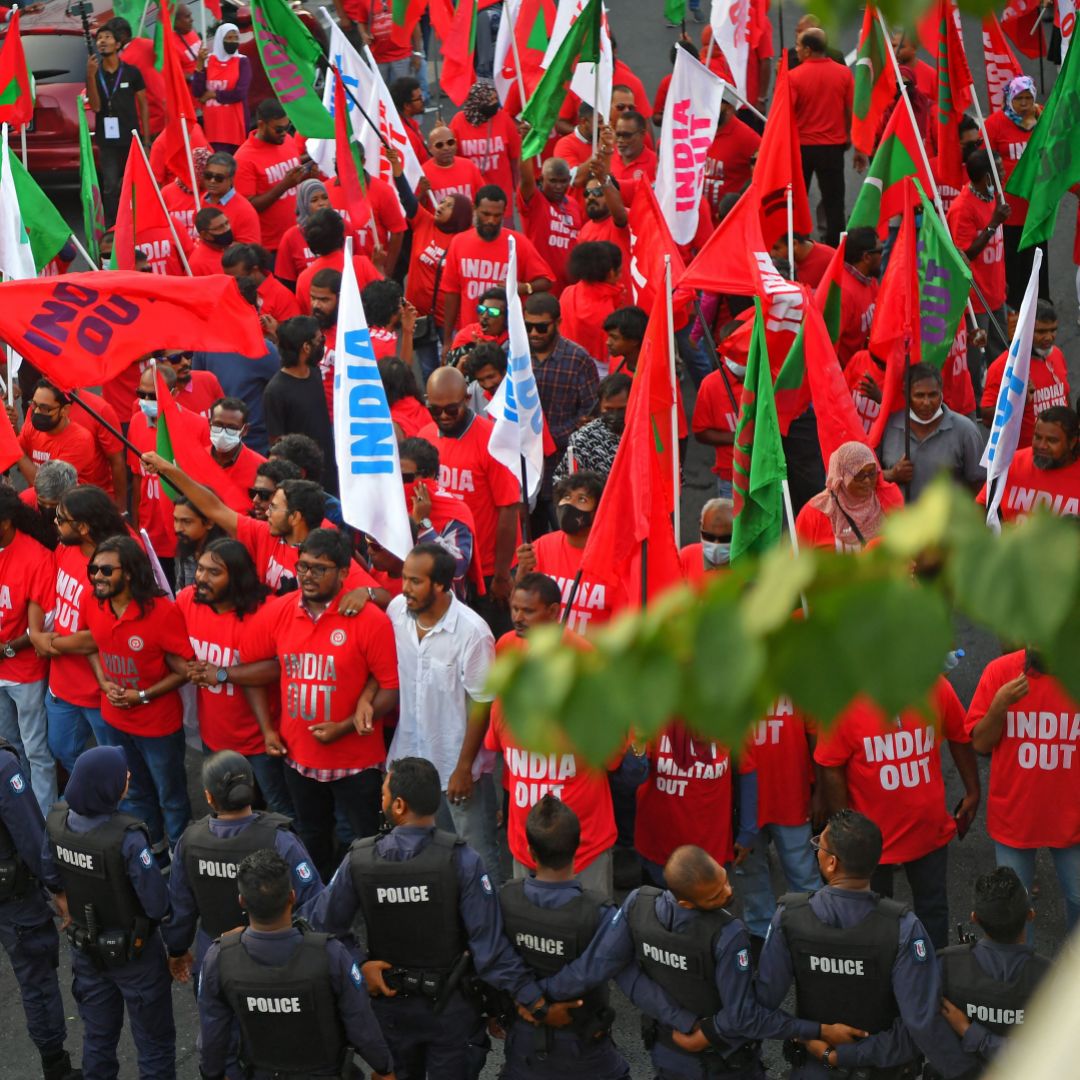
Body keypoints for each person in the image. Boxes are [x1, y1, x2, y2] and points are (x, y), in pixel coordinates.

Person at [306, 756, 557, 1079]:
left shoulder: (360, 860)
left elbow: (321, 926)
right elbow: (490, 950)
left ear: (398, 805)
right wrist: (532, 1000)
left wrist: (358, 966)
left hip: (391, 1011)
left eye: (383, 795)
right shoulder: (464, 860)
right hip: (453, 1014)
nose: (379, 801)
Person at [539, 845, 815, 1079]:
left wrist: (537, 997)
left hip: (668, 1052)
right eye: (715, 895)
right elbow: (742, 1015)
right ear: (685, 903)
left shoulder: (637, 904)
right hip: (724, 1062)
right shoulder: (728, 935)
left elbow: (605, 964)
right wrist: (814, 1030)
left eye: (725, 881)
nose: (728, 893)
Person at [217, 529, 399, 879]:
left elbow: (390, 690)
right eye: (302, 567)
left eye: (319, 569)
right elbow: (251, 670)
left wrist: (344, 727)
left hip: (356, 764)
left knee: (364, 839)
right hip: (297, 759)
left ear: (344, 572)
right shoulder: (279, 612)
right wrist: (267, 729)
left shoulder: (370, 620)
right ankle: (318, 897)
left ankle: (363, 898)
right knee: (312, 833)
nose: (307, 576)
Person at [754, 810, 973, 1078]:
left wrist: (812, 1035)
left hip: (814, 1068)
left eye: (818, 847)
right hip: (884, 1070)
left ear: (831, 863)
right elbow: (921, 1024)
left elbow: (760, 1006)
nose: (817, 852)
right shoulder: (904, 927)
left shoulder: (789, 917)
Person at [197, 849, 395, 1080]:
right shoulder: (331, 954)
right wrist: (384, 1068)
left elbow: (212, 1032)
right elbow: (361, 1023)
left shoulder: (219, 957)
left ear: (242, 901)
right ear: (292, 896)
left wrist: (212, 1073)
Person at [814, 678, 981, 950]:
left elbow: (959, 735)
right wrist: (845, 826)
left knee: (933, 911)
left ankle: (932, 976)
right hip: (869, 843)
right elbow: (830, 764)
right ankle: (885, 981)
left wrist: (974, 790)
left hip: (929, 832)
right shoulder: (843, 700)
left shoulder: (936, 687)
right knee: (875, 920)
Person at [42, 746, 175, 1080]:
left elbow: (49, 874)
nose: (128, 776)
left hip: (86, 950)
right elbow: (157, 904)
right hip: (135, 956)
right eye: (122, 774)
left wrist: (64, 901)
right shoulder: (127, 840)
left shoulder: (57, 822)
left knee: (98, 1040)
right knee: (155, 1046)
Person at [487, 577, 618, 896]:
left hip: (581, 849)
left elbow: (613, 755)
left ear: (554, 612)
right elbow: (502, 750)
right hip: (524, 843)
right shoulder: (506, 647)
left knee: (592, 935)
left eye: (528, 611)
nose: (517, 617)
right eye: (514, 608)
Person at [386, 544, 501, 883]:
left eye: (415, 581)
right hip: (409, 757)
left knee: (476, 853)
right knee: (423, 849)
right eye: (404, 579)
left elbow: (482, 703)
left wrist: (464, 767)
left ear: (441, 585)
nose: (405, 588)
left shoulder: (473, 633)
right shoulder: (396, 610)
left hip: (455, 765)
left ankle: (487, 926)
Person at [164, 750, 321, 987]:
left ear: (208, 796)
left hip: (216, 958)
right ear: (252, 786)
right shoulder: (280, 840)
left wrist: (177, 948)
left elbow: (181, 905)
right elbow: (314, 904)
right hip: (274, 958)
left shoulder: (190, 841)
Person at [498, 795, 627, 1078]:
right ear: (577, 847)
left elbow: (491, 957)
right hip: (585, 1046)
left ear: (530, 852)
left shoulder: (505, 898)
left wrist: (533, 1000)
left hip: (524, 1036)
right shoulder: (600, 912)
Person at [80, 536, 194, 857]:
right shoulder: (92, 602)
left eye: (105, 570)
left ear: (128, 573)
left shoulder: (162, 612)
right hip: (114, 720)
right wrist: (103, 681)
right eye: (93, 570)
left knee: (170, 795)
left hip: (158, 726)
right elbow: (91, 645)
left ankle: (180, 858)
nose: (97, 577)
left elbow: (185, 670)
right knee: (133, 793)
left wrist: (141, 695)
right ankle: (153, 852)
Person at [174, 539, 294, 815]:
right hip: (213, 735)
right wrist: (185, 668)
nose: (201, 579)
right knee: (224, 806)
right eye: (201, 569)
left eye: (214, 573)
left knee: (278, 809)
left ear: (237, 577)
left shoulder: (264, 612)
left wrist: (223, 674)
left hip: (261, 739)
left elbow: (279, 667)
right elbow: (169, 647)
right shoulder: (186, 601)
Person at [966, 648, 1080, 932]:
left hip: (1073, 818)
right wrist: (999, 705)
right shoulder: (999, 672)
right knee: (1013, 913)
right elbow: (980, 744)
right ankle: (1022, 974)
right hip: (1014, 817)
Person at [31, 488, 131, 775]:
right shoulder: (65, 548)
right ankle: (92, 801)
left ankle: (112, 810)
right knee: (61, 749)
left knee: (117, 764)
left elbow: (102, 633)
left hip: (100, 690)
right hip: (62, 685)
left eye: (61, 519)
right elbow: (42, 592)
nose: (55, 523)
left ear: (84, 527)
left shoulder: (112, 567)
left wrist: (52, 644)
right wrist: (36, 633)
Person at [0, 736, 80, 1080]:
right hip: (13, 897)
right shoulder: (3, 767)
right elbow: (32, 836)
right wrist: (58, 890)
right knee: (36, 976)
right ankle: (56, 1068)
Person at [419, 367, 521, 618]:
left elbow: (508, 509)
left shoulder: (492, 440)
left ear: (466, 399)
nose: (443, 416)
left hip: (486, 570)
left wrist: (501, 574)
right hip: (444, 567)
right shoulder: (424, 437)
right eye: (435, 409)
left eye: (451, 409)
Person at [937, 867, 1051, 1071]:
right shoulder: (1053, 979)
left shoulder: (945, 965)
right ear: (1031, 915)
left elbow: (924, 1029)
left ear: (975, 918)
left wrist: (969, 1031)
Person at [737, 697, 821, 950]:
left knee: (801, 868)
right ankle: (761, 933)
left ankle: (811, 930)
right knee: (749, 871)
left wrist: (820, 790)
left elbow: (815, 733)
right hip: (742, 802)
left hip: (790, 793)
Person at [0, 486, 57, 817]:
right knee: (9, 747)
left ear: (6, 522)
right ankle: (21, 820)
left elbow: (44, 626)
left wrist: (7, 648)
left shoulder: (36, 556)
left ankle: (46, 827)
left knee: (36, 750)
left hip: (24, 671)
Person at [440, 185, 554, 342]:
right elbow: (452, 293)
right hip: (470, 336)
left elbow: (546, 281)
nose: (491, 221)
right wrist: (447, 340)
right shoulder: (459, 242)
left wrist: (525, 288)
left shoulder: (517, 243)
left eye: (497, 216)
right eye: (486, 214)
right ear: (474, 209)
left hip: (508, 340)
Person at [516, 472, 625, 631]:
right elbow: (520, 604)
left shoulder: (619, 558)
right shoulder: (541, 546)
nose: (570, 504)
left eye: (582, 499)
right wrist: (522, 571)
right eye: (566, 497)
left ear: (599, 511)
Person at [947, 149, 1010, 399]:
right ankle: (975, 404)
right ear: (986, 177)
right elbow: (965, 255)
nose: (1003, 173)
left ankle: (998, 398)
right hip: (975, 301)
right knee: (976, 357)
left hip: (996, 294)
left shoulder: (993, 197)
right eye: (999, 170)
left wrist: (1002, 282)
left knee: (1001, 352)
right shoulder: (963, 208)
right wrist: (993, 223)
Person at [983, 75, 1049, 308]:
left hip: (1037, 210)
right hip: (1009, 213)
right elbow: (983, 162)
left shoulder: (1043, 120)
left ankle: (1040, 308)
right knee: (1013, 264)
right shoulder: (995, 124)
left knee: (1038, 263)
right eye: (1018, 98)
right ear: (1009, 99)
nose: (1024, 103)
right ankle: (1014, 310)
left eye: (1028, 98)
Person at [879, 363, 986, 500]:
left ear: (941, 392)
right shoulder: (888, 426)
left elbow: (979, 486)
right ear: (906, 395)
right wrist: (891, 475)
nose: (926, 402)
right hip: (899, 519)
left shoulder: (966, 430)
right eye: (919, 395)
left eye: (932, 395)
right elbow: (866, 476)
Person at [789, 29, 853, 247]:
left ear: (808, 49)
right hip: (833, 148)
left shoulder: (793, 77)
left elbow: (786, 114)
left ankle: (795, 244)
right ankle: (836, 250)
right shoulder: (844, 74)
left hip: (802, 148)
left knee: (796, 201)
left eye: (798, 45)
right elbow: (851, 110)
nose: (795, 49)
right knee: (835, 203)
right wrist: (849, 137)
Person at [981, 300, 1070, 447]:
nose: (1049, 337)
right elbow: (987, 418)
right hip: (1027, 457)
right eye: (1041, 332)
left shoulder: (1057, 355)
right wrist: (1016, 397)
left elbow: (1065, 397)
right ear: (1025, 329)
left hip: (1062, 452)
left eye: (1053, 330)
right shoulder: (1004, 366)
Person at [398, 437, 479, 598]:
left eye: (406, 478)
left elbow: (458, 566)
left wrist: (423, 526)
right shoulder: (390, 505)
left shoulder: (454, 512)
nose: (400, 485)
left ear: (430, 475)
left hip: (442, 607)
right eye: (396, 478)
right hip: (395, 604)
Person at [263, 316, 336, 492]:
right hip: (303, 483)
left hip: (329, 472)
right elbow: (276, 444)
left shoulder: (314, 372)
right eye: (320, 340)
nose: (323, 345)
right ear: (306, 347)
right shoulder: (275, 391)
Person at [15, 380, 116, 504]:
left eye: (44, 408)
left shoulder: (80, 440)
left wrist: (16, 451)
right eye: (34, 405)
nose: (36, 412)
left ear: (65, 410)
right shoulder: (33, 427)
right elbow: (14, 451)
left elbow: (48, 485)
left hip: (73, 512)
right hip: (43, 504)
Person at [84, 24, 148, 221]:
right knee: (110, 185)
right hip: (107, 140)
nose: (102, 41)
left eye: (107, 37)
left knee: (135, 183)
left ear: (118, 43)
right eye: (99, 38)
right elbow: (95, 107)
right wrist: (90, 76)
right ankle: (112, 227)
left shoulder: (131, 72)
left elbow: (143, 105)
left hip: (131, 137)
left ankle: (139, 220)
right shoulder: (95, 73)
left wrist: (146, 141)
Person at [975, 406, 1080, 522]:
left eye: (1052, 440)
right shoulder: (1011, 462)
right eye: (1038, 437)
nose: (1042, 446)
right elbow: (980, 507)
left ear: (1072, 442)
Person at [234, 99, 309, 258]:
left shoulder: (287, 141)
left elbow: (294, 177)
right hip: (271, 248)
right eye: (279, 129)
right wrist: (284, 186)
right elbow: (249, 207)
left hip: (300, 237)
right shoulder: (244, 158)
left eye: (287, 127)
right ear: (261, 125)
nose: (284, 132)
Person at [795, 442, 903, 552]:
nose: (867, 480)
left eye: (872, 473)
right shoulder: (814, 514)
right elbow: (798, 560)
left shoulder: (886, 502)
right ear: (842, 476)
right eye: (859, 475)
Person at [517, 157, 583, 295]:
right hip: (541, 288)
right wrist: (526, 145)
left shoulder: (573, 204)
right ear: (541, 180)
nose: (558, 186)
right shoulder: (535, 202)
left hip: (569, 289)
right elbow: (526, 179)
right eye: (553, 181)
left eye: (563, 181)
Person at [449, 83, 521, 203]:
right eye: (490, 100)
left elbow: (515, 158)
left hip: (501, 196)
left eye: (495, 98)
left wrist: (518, 188)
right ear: (478, 101)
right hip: (470, 197)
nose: (495, 103)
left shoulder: (503, 119)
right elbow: (451, 158)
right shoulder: (458, 122)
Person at [559, 242, 625, 372]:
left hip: (564, 362)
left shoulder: (568, 292)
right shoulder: (607, 310)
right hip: (598, 369)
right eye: (620, 270)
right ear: (611, 273)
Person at [555, 372, 630, 481]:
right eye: (609, 409)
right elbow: (564, 481)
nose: (615, 415)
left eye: (621, 409)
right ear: (600, 405)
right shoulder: (583, 439)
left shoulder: (648, 433)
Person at [192, 26, 251, 153]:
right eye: (229, 38)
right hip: (214, 127)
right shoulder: (208, 60)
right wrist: (199, 65)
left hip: (235, 125)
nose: (233, 41)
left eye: (236, 38)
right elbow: (197, 92)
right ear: (220, 39)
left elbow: (239, 93)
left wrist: (213, 94)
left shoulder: (242, 61)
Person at [692, 357, 744, 499]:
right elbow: (700, 432)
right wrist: (736, 437)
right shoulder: (711, 385)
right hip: (731, 477)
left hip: (767, 474)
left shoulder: (769, 378)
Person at [703, 101, 760, 225]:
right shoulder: (697, 128)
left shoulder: (747, 138)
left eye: (716, 101)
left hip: (728, 224)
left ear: (729, 107)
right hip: (700, 223)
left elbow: (764, 172)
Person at [207, 396, 267, 503]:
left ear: (245, 430)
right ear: (209, 423)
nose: (222, 433)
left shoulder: (261, 468)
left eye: (232, 428)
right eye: (218, 425)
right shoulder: (194, 458)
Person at [835, 228, 881, 366]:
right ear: (866, 257)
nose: (883, 256)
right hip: (848, 377)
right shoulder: (843, 294)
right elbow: (827, 344)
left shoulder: (870, 280)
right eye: (880, 251)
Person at [222, 243, 301, 323]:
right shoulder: (229, 290)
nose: (232, 283)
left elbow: (294, 334)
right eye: (228, 278)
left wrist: (274, 330)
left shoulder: (282, 297)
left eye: (237, 279)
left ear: (254, 270)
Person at [198, 152, 261, 243]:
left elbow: (250, 250)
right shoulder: (201, 200)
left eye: (219, 178)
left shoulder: (245, 210)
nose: (212, 181)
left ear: (231, 180)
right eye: (208, 175)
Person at [171, 498, 226, 593]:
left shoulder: (224, 558)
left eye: (186, 522)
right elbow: (182, 587)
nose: (178, 528)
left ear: (209, 522)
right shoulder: (188, 546)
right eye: (176, 520)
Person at [421, 125, 485, 205]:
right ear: (430, 149)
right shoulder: (422, 173)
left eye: (450, 143)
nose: (446, 148)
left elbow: (482, 198)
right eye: (439, 145)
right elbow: (417, 207)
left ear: (456, 143)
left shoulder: (469, 165)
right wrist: (422, 193)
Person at [679, 498, 734, 583]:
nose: (716, 544)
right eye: (709, 537)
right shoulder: (686, 558)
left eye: (725, 539)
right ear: (701, 527)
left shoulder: (749, 564)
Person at [610, 109, 657, 185]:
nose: (620, 140)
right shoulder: (608, 159)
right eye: (618, 135)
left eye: (626, 135)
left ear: (642, 134)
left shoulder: (656, 164)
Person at [189, 207, 234, 275]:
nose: (226, 229)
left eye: (227, 223)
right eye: (220, 227)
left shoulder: (233, 249)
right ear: (205, 234)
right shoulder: (198, 264)